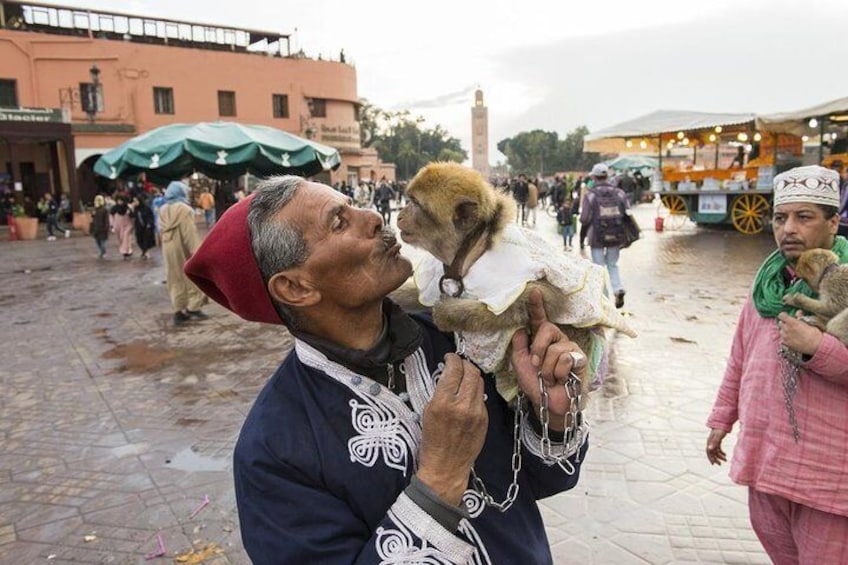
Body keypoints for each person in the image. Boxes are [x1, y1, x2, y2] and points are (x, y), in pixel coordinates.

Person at [184, 175, 590, 564]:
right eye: (340, 221)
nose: (375, 217)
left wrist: (552, 417)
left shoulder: (461, 340)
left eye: (353, 206)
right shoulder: (273, 451)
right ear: (297, 288)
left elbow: (543, 480)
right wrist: (440, 478)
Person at [706, 165, 848, 564]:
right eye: (780, 217)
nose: (788, 229)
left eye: (804, 217)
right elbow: (741, 354)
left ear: (833, 222)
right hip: (767, 459)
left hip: (829, 473)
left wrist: (818, 349)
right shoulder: (767, 283)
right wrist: (722, 418)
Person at [579, 163, 629, 308]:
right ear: (607, 176)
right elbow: (627, 212)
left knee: (598, 267)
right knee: (613, 265)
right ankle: (618, 289)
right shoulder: (619, 193)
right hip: (616, 235)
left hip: (597, 237)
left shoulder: (591, 195)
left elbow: (584, 219)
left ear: (594, 177)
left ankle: (605, 299)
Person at [159, 181, 208, 325]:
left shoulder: (162, 209)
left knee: (174, 278)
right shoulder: (184, 209)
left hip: (168, 248)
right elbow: (189, 233)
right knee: (191, 276)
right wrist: (198, 252)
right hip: (183, 247)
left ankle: (178, 310)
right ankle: (193, 307)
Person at [110, 194, 135, 259]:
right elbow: (111, 216)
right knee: (121, 238)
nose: (120, 202)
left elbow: (132, 216)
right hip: (118, 226)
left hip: (127, 225)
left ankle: (126, 251)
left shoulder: (128, 208)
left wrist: (133, 224)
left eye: (121, 201)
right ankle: (125, 250)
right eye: (118, 200)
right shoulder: (114, 208)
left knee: (126, 237)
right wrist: (112, 226)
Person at [133, 194, 156, 260]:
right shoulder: (135, 208)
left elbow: (150, 216)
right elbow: (134, 216)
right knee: (139, 240)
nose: (135, 202)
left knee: (146, 240)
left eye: (136, 201)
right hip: (139, 227)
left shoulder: (146, 207)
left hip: (146, 227)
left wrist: (149, 223)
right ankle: (144, 251)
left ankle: (146, 252)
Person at [91, 194, 109, 259]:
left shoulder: (104, 210)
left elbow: (106, 220)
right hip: (96, 228)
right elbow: (93, 218)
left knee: (102, 242)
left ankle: (103, 252)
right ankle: (102, 252)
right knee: (97, 241)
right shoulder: (95, 209)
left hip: (102, 228)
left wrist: (106, 227)